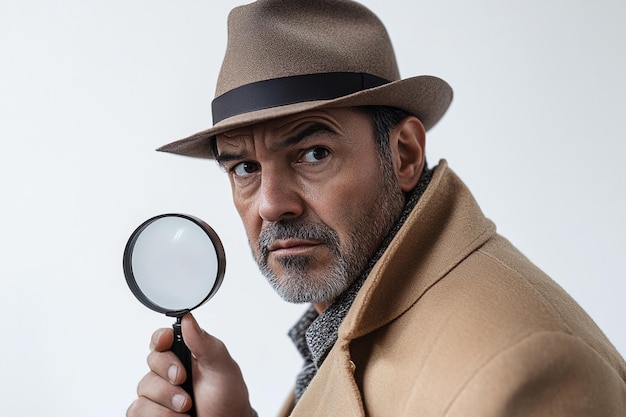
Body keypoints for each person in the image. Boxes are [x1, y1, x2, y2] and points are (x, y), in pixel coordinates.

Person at [127, 1, 626, 416]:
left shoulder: (520, 373)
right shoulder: (351, 327)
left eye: (313, 153)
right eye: (244, 168)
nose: (272, 204)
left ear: (404, 154)